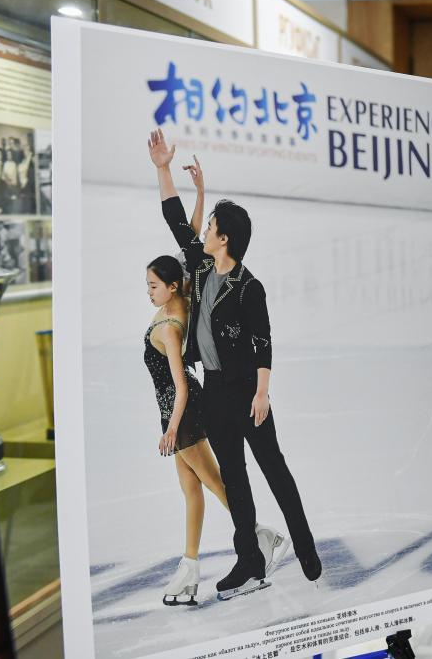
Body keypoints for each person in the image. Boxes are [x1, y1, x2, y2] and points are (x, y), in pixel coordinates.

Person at [148, 128, 323, 600]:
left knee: (274, 470)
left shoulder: (249, 287)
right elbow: (174, 219)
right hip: (215, 390)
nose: (203, 232)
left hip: (248, 392)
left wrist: (262, 392)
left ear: (224, 239)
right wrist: (163, 169)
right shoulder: (202, 266)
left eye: (210, 228)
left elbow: (263, 342)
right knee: (234, 477)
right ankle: (248, 559)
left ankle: (304, 543)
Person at [145, 253, 287, 606]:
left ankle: (259, 536)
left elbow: (180, 385)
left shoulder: (170, 326)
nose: (148, 292)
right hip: (177, 410)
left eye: (153, 286)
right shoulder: (179, 302)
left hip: (182, 413)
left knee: (215, 482)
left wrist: (172, 428)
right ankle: (189, 566)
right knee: (191, 488)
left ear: (172, 285)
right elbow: (185, 255)